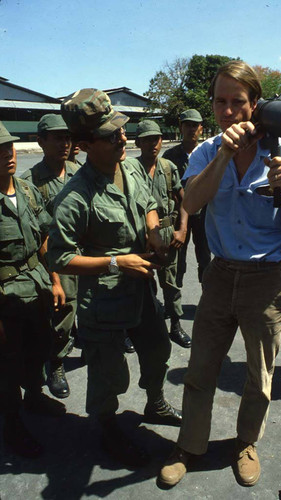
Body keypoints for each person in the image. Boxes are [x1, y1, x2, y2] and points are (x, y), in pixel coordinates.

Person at [159, 60, 281, 488]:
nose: (228, 111)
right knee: (200, 370)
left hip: (268, 280)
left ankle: (246, 443)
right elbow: (192, 204)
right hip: (219, 275)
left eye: (238, 102)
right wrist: (226, 153)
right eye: (220, 102)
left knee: (259, 375)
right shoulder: (205, 150)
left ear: (255, 105)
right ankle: (190, 446)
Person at [47, 89, 182, 467]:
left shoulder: (132, 167)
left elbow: (150, 203)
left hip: (141, 292)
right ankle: (106, 428)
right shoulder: (76, 197)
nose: (123, 138)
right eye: (111, 136)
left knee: (158, 350)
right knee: (108, 375)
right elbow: (59, 256)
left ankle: (154, 403)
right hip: (103, 304)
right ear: (86, 144)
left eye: (122, 130)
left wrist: (155, 230)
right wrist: (115, 263)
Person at [0, 121, 65, 459]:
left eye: (9, 147)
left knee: (39, 347)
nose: (8, 155)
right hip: (6, 297)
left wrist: (54, 280)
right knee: (7, 367)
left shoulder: (25, 190)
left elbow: (44, 239)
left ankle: (35, 397)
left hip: (36, 285)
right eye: (0, 150)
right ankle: (11, 425)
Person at [21, 114, 79, 399]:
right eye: (57, 137)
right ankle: (56, 363)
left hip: (85, 253)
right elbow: (35, 236)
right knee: (62, 313)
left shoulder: (78, 170)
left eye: (67, 137)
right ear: (40, 141)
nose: (64, 143)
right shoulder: (29, 182)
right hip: (55, 258)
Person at [131, 119, 191, 348]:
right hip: (139, 236)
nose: (152, 144)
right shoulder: (129, 169)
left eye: (155, 139)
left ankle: (175, 325)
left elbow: (184, 200)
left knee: (171, 284)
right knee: (141, 285)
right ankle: (143, 329)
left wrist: (182, 229)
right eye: (146, 140)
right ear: (138, 142)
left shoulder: (168, 167)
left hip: (166, 234)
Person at [163, 109, 211, 287]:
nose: (191, 129)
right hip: (178, 212)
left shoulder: (208, 152)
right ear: (180, 127)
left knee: (205, 256)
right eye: (187, 125)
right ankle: (174, 302)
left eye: (195, 125)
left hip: (204, 212)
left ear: (201, 128)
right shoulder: (170, 156)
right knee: (177, 257)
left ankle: (208, 297)